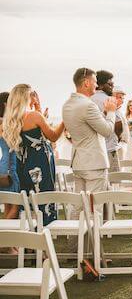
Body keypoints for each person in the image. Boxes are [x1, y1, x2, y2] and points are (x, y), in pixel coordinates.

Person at [3, 84, 64, 225]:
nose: (35, 97)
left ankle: (26, 237)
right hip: (40, 163)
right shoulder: (34, 116)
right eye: (33, 94)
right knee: (43, 198)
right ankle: (42, 235)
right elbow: (53, 136)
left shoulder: (9, 120)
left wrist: (39, 110)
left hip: (21, 164)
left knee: (25, 201)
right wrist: (64, 122)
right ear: (27, 97)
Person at [63, 68, 117, 221]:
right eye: (94, 82)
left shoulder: (67, 104)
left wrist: (105, 114)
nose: (96, 85)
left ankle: (75, 244)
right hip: (94, 163)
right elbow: (107, 131)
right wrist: (111, 111)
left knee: (78, 207)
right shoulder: (88, 105)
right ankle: (93, 245)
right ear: (86, 83)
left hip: (78, 162)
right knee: (95, 209)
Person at [91, 70, 122, 172]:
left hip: (92, 151)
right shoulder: (109, 100)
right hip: (108, 149)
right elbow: (118, 124)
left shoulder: (88, 99)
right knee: (114, 183)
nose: (112, 86)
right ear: (100, 85)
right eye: (110, 84)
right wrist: (117, 136)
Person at [0, 92, 20, 221]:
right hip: (8, 169)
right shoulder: (5, 123)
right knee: (16, 206)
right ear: (6, 104)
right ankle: (4, 237)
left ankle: (7, 239)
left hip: (3, 167)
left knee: (8, 206)